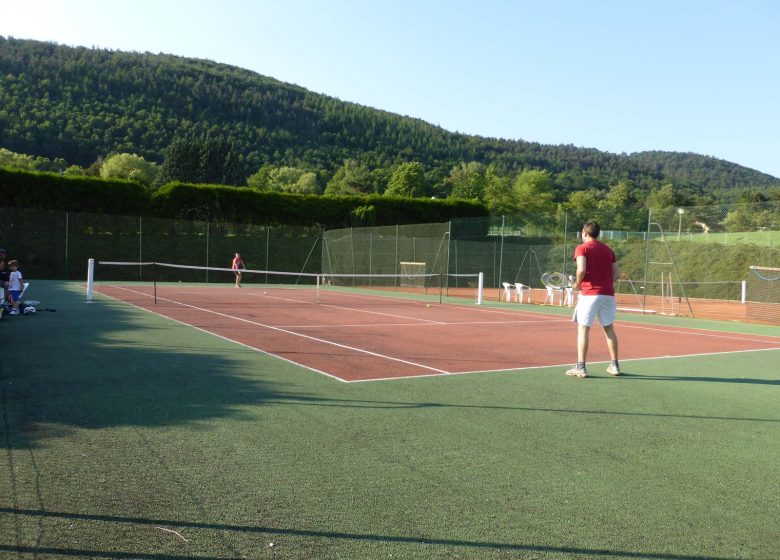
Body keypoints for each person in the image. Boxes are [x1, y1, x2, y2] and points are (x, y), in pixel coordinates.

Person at [565, 222, 621, 378]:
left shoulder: (581, 248)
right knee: (609, 329)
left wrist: (577, 284)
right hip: (608, 294)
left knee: (583, 329)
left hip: (589, 295)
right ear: (598, 233)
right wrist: (605, 283)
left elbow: (581, 269)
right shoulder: (609, 250)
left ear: (584, 232)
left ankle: (581, 368)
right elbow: (617, 274)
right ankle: (614, 366)